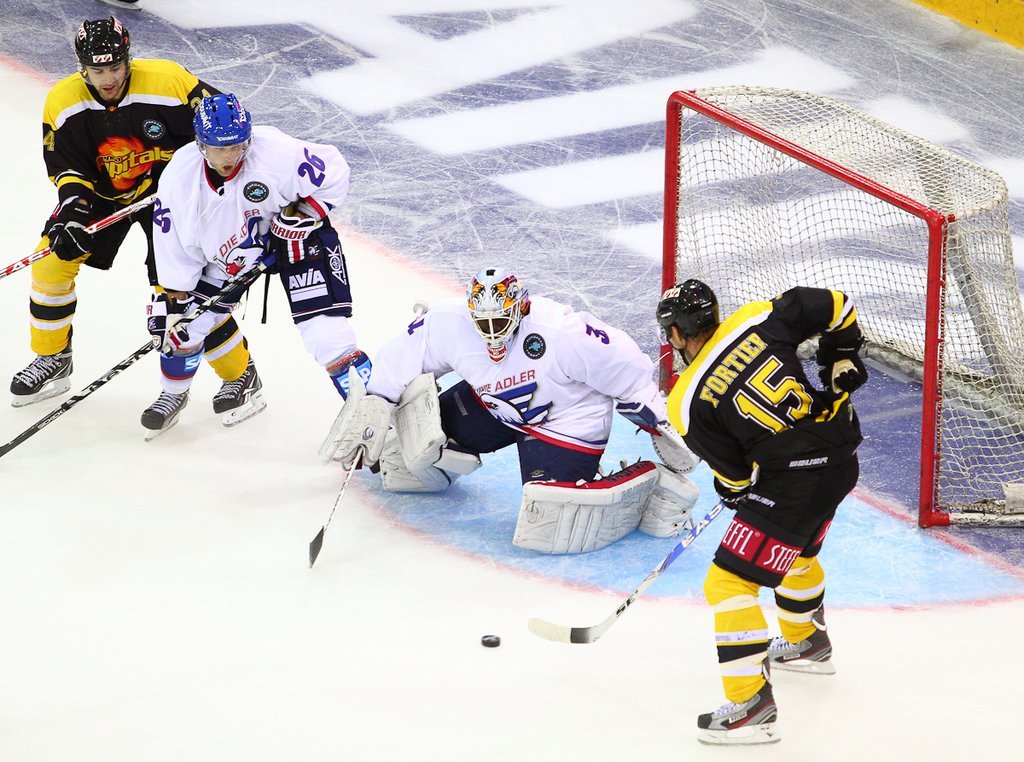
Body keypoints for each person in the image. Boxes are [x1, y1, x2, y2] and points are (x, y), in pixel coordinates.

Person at [322, 267, 701, 554]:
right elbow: (404, 356)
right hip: (495, 405)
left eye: (500, 321)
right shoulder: (449, 322)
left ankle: (653, 482)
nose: (491, 331)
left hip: (566, 419)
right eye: (482, 322)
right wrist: (376, 401)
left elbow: (624, 362)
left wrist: (655, 416)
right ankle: (444, 460)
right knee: (407, 457)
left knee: (549, 521)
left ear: (520, 309)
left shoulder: (560, 332)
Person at [656, 279, 867, 745]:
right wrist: (841, 356)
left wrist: (732, 492)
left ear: (675, 334)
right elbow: (837, 304)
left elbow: (736, 480)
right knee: (794, 550)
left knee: (728, 582)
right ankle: (806, 642)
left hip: (796, 483)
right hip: (840, 456)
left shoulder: (684, 400)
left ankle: (750, 707)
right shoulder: (757, 317)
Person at [9, 16, 252, 413]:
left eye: (116, 67)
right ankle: (54, 358)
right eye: (98, 70)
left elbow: (225, 125)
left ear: (128, 59)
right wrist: (73, 214)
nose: (108, 79)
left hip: (172, 197)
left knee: (180, 292)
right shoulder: (63, 101)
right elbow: (69, 169)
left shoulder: (168, 81)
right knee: (51, 264)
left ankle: (240, 374)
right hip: (103, 196)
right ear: (82, 68)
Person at [144, 92, 369, 438]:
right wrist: (175, 302)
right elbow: (173, 245)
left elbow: (334, 169)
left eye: (237, 145)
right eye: (219, 148)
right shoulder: (179, 179)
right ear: (201, 145)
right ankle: (173, 393)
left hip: (297, 241)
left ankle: (374, 409)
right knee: (182, 325)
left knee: (327, 336)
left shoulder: (276, 152)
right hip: (231, 257)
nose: (230, 156)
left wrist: (305, 213)